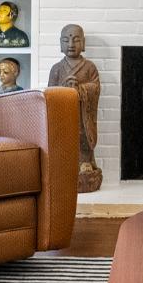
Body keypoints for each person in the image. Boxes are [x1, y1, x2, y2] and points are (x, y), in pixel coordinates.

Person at [49, 23, 102, 191]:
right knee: (65, 138)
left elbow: (96, 87)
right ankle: (66, 166)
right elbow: (50, 92)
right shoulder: (57, 69)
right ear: (61, 44)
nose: (71, 44)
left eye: (76, 40)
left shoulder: (89, 67)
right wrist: (64, 88)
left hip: (83, 113)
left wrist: (81, 89)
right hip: (64, 113)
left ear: (83, 43)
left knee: (83, 136)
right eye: (66, 40)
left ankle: (85, 162)